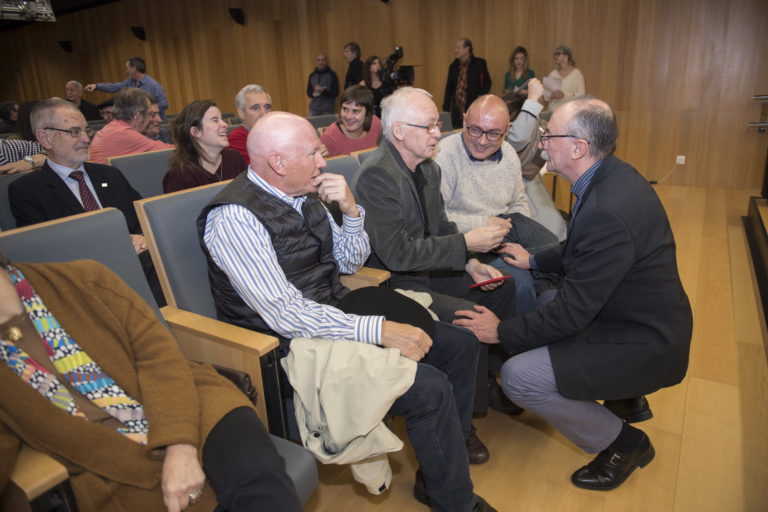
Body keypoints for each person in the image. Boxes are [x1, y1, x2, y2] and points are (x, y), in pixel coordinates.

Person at [199, 110, 496, 512]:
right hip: (288, 346)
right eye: (314, 154)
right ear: (279, 163)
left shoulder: (304, 194)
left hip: (335, 313)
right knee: (428, 387)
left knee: (460, 344)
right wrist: (378, 330)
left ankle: (438, 475)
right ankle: (456, 502)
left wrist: (352, 210)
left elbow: (350, 263)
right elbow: (285, 314)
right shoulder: (235, 217)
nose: (323, 162)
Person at [453, 96, 693, 491]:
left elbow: (571, 314)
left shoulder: (605, 209)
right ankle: (624, 397)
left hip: (645, 339)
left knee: (518, 377)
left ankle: (623, 443)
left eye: (549, 135)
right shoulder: (612, 176)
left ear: (579, 147)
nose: (542, 143)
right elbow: (580, 247)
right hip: (640, 317)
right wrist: (533, 261)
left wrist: (501, 331)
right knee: (546, 300)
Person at [0, 254, 303, 511]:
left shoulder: (83, 279)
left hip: (182, 400)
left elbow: (160, 358)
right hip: (107, 458)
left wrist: (180, 446)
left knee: (257, 475)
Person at [353, 87, 518, 431]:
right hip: (394, 283)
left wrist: (470, 261)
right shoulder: (378, 175)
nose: (437, 134)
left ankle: (482, 383)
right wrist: (466, 242)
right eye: (428, 127)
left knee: (500, 286)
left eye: (436, 126)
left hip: (428, 270)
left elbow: (439, 226)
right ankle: (461, 428)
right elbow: (397, 254)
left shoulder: (428, 170)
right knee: (470, 325)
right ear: (399, 131)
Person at [8, 99, 163, 305]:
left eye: (86, 130)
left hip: (138, 269)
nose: (86, 138)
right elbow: (41, 256)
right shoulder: (27, 191)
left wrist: (141, 237)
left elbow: (142, 219)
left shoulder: (110, 175)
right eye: (74, 132)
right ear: (45, 138)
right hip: (83, 288)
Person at [434, 94, 560, 315]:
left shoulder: (509, 153)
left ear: (507, 129)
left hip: (506, 232)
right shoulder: (444, 155)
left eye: (493, 133)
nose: (482, 141)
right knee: (520, 282)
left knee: (553, 251)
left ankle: (550, 312)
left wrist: (515, 238)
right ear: (464, 121)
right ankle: (521, 339)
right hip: (468, 244)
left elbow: (518, 200)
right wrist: (484, 222)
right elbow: (436, 220)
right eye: (474, 129)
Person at [164, 100, 246, 193]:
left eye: (222, 119)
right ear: (196, 132)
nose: (225, 125)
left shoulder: (234, 158)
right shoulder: (180, 175)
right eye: (215, 120)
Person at [89, 87, 173, 164]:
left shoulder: (112, 128)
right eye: (150, 114)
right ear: (138, 116)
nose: (151, 119)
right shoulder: (124, 134)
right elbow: (169, 151)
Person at [85, 56, 170, 119]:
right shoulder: (130, 82)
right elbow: (115, 87)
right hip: (139, 123)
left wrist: (146, 109)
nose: (127, 71)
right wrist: (97, 86)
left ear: (134, 69)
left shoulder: (154, 85)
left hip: (154, 124)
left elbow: (164, 104)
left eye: (127, 68)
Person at [320, 85, 382, 158]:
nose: (349, 116)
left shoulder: (376, 123)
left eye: (356, 111)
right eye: (345, 109)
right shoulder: (329, 138)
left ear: (367, 113)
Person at [443, 38, 491, 129]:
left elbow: (487, 82)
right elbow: (448, 89)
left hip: (474, 107)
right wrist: (446, 109)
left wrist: (481, 97)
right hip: (457, 110)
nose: (455, 50)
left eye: (458, 48)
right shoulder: (453, 66)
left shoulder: (479, 64)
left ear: (467, 49)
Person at [227, 84, 272, 164]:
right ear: (241, 113)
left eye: (267, 107)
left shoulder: (276, 134)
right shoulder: (236, 139)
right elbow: (258, 170)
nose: (263, 114)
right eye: (255, 108)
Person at [545, 46, 585, 111]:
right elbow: (546, 97)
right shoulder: (552, 73)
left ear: (566, 56)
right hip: (552, 111)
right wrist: (552, 96)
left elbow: (581, 95)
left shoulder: (576, 74)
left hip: (569, 111)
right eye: (555, 54)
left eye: (558, 54)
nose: (555, 57)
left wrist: (564, 95)